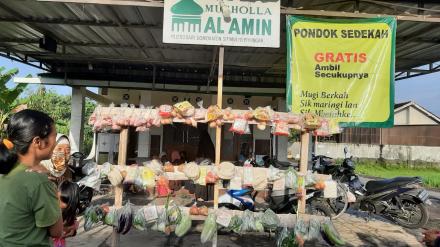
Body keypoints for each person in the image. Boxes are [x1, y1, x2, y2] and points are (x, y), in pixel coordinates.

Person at [0, 109, 63, 246]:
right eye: (55, 137)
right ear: (37, 142)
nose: (56, 143)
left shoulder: (5, 171)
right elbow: (57, 232)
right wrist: (56, 195)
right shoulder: (38, 180)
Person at [53, 181, 80, 247]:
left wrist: (72, 231)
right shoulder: (51, 211)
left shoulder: (69, 214)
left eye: (63, 201)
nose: (59, 204)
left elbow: (72, 232)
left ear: (71, 202)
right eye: (57, 199)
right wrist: (68, 228)